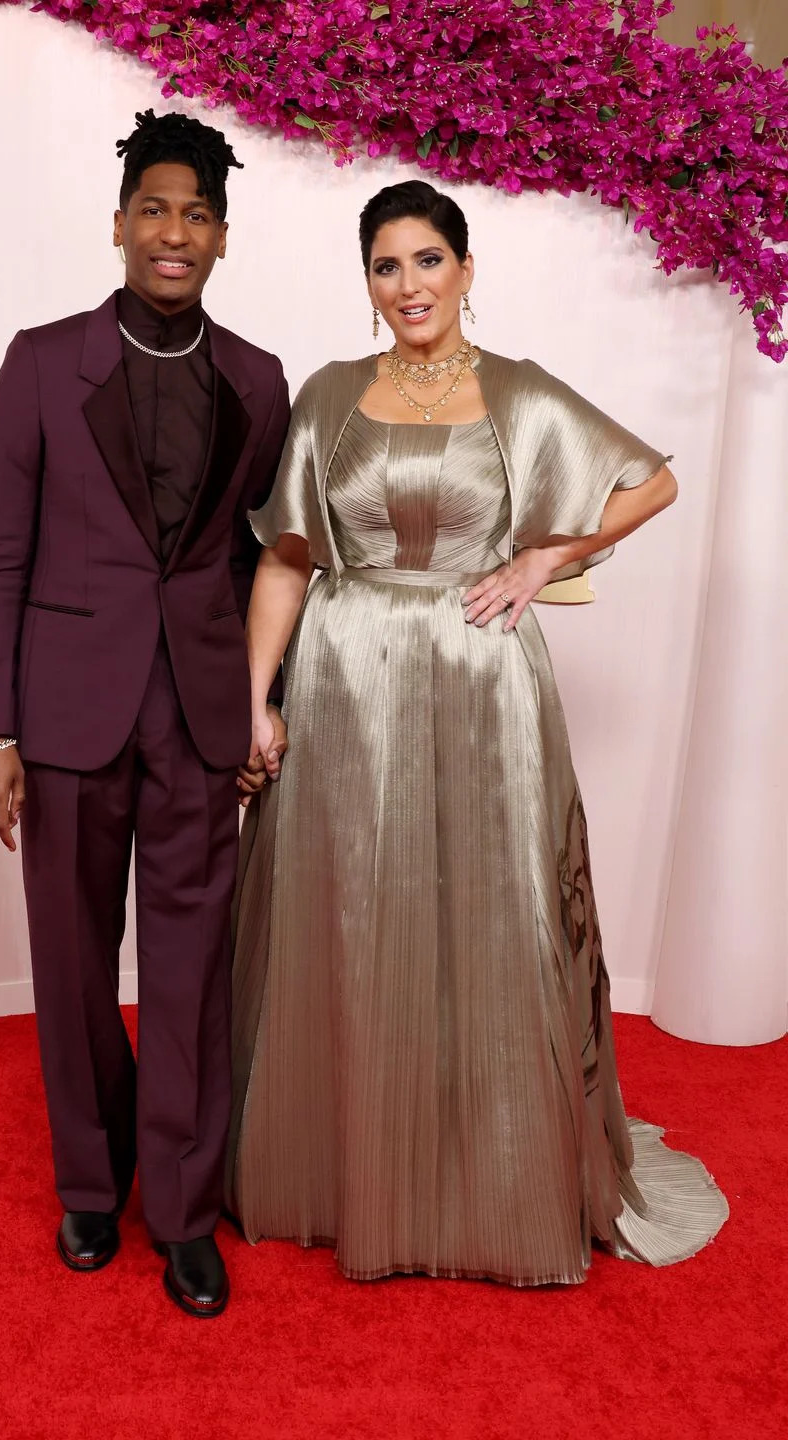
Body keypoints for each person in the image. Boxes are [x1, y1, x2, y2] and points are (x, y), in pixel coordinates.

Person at [227, 180, 728, 1285]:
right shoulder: (329, 399)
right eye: (386, 266)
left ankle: (491, 1181)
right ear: (366, 284)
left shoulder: (519, 393)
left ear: (465, 269)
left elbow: (654, 481)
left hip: (482, 677)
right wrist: (256, 695)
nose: (408, 285)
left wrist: (547, 557)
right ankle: (345, 1168)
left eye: (427, 261)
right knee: (349, 914)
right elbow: (286, 560)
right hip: (347, 681)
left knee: (492, 914)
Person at [0, 110, 288, 1317]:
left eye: (197, 214)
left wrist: (267, 704)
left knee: (194, 972)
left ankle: (186, 1214)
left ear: (220, 238)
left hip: (201, 719)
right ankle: (92, 1186)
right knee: (73, 967)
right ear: (119, 226)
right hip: (63, 718)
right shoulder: (42, 362)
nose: (174, 231)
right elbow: (1, 557)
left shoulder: (258, 378)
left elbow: (274, 557)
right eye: (155, 208)